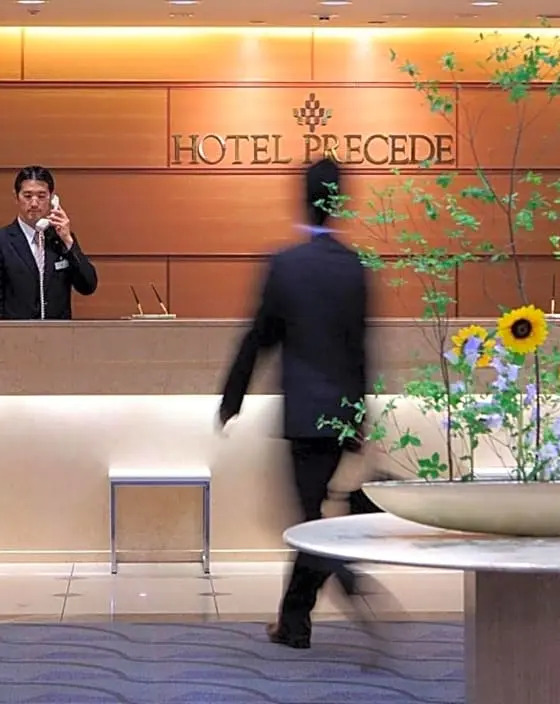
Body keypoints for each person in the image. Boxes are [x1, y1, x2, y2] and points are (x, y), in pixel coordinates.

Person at [217, 157, 369, 649]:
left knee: (308, 521)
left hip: (303, 414)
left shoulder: (286, 264)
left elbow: (259, 337)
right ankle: (295, 620)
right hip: (341, 412)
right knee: (310, 517)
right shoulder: (354, 267)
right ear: (340, 201)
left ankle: (337, 574)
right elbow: (360, 347)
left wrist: (232, 398)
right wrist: (359, 415)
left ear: (302, 198)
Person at [0, 165, 98, 320]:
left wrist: (68, 241)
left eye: (41, 196)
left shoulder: (60, 239)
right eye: (27, 196)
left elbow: (88, 286)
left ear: (52, 198)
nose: (34, 203)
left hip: (58, 332)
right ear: (16, 197)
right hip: (16, 333)